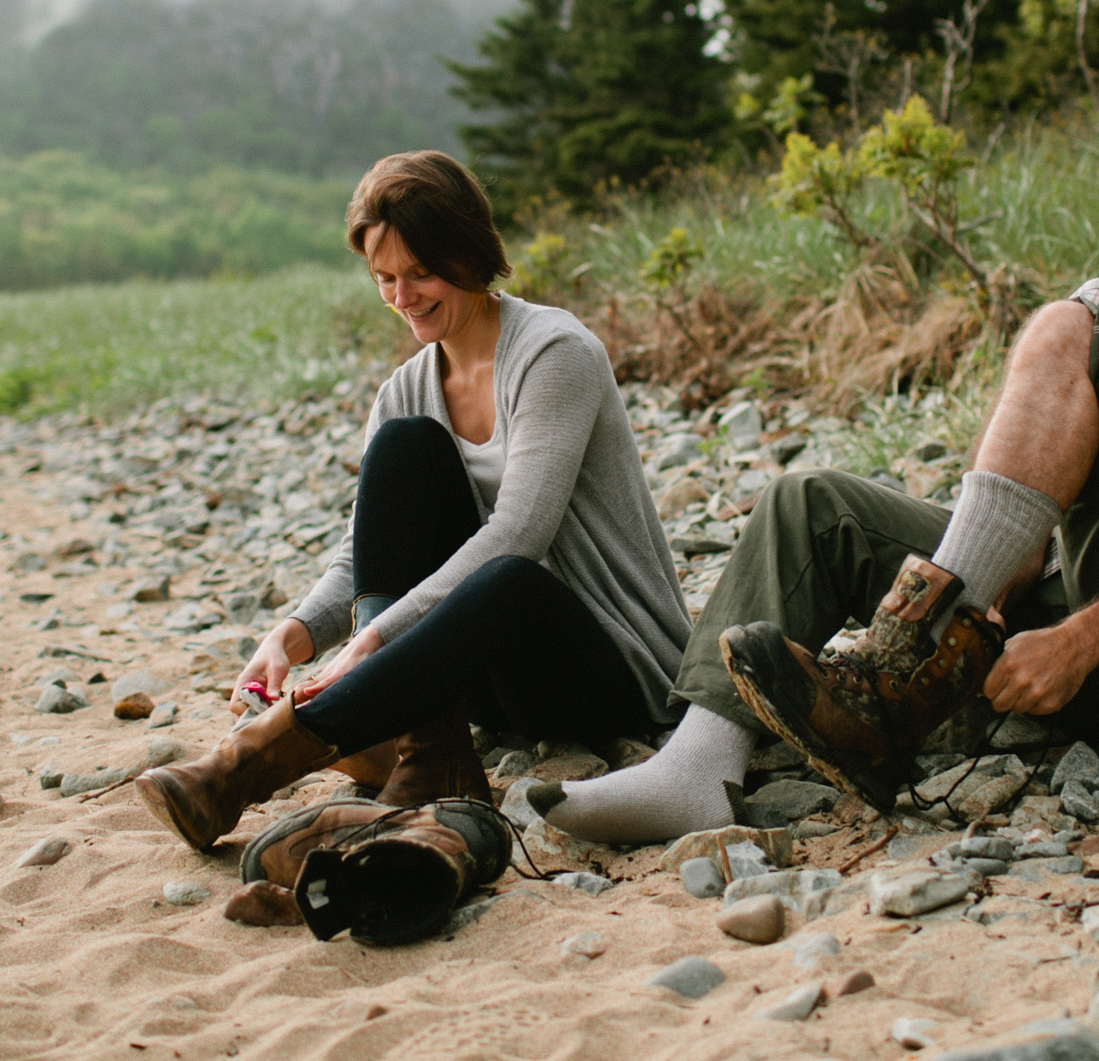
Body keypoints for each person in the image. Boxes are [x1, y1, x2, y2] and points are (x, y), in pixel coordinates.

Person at [537, 93, 1099, 839]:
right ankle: (695, 770)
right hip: (1093, 611)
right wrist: (997, 595)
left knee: (1059, 328)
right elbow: (1031, 482)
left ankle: (895, 671)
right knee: (812, 505)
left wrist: (1077, 640)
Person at [136, 150, 692, 853]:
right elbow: (361, 557)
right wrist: (294, 633)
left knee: (511, 577)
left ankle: (246, 766)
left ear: (468, 253)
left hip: (609, 668)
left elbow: (521, 529)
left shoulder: (555, 353)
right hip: (486, 676)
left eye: (420, 272)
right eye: (384, 278)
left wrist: (372, 642)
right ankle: (431, 752)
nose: (403, 296)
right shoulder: (405, 387)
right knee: (402, 446)